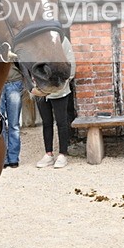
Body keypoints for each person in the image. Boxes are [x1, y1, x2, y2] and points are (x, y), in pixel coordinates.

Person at [35, 37, 76, 169]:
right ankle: (48, 154)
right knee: (46, 123)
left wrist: (63, 82)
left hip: (59, 89)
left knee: (61, 122)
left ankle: (63, 154)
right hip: (41, 90)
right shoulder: (37, 41)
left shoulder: (62, 40)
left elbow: (71, 62)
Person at [0, 65, 24, 168]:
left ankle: (13, 158)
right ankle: (3, 158)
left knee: (14, 124)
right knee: (0, 124)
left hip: (15, 83)